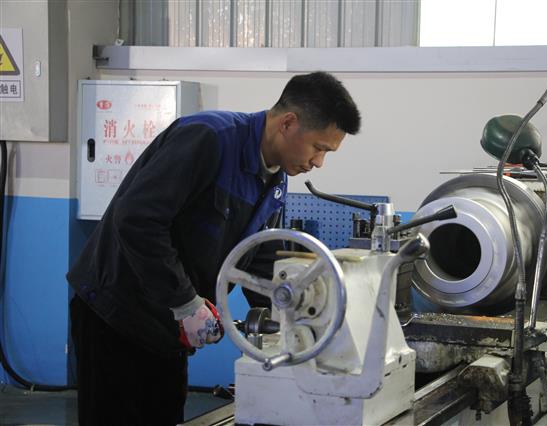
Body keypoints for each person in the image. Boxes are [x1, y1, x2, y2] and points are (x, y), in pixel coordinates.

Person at [66, 71, 361, 425]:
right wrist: (184, 302)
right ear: (288, 123)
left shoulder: (275, 178)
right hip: (116, 313)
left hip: (167, 326)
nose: (318, 162)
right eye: (319, 147)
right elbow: (136, 220)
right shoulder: (208, 139)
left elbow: (259, 255)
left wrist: (294, 317)